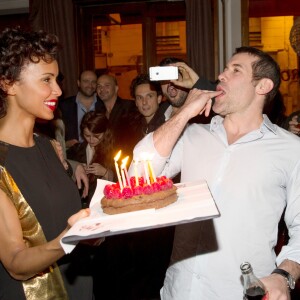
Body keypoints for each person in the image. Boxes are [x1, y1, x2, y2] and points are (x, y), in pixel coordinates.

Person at [131, 46, 300, 300]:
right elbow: (139, 176)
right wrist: (185, 111)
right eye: (224, 68)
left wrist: (283, 276)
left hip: (239, 294)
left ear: (263, 86)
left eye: (235, 70)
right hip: (178, 291)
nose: (221, 75)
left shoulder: (290, 149)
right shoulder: (193, 134)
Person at [0, 27, 101, 300]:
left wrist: (94, 230)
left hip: (79, 287)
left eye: (56, 79)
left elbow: (58, 218)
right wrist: (69, 238)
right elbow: (16, 263)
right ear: (8, 84)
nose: (58, 89)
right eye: (46, 79)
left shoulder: (49, 146)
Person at [67, 111, 115, 205]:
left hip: (103, 203)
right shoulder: (77, 149)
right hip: (79, 203)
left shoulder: (113, 151)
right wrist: (76, 167)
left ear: (105, 132)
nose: (91, 140)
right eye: (87, 136)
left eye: (96, 136)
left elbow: (123, 179)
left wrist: (105, 172)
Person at [159, 57, 216, 122]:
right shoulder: (159, 114)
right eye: (164, 77)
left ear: (187, 77)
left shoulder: (205, 112)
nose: (170, 81)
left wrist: (197, 83)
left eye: (174, 75)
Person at [59, 69, 105, 148]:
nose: (90, 85)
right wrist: (65, 144)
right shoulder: (64, 106)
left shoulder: (104, 105)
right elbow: (55, 134)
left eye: (93, 82)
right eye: (86, 81)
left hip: (99, 152)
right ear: (78, 83)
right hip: (73, 154)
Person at [96, 74, 138, 156]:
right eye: (99, 86)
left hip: (127, 159)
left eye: (107, 85)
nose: (102, 89)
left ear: (116, 88)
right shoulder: (99, 112)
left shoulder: (130, 107)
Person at [130, 73, 169, 139]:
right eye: (140, 97)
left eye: (149, 96)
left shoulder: (167, 124)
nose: (144, 102)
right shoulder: (134, 128)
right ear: (136, 102)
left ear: (159, 99)